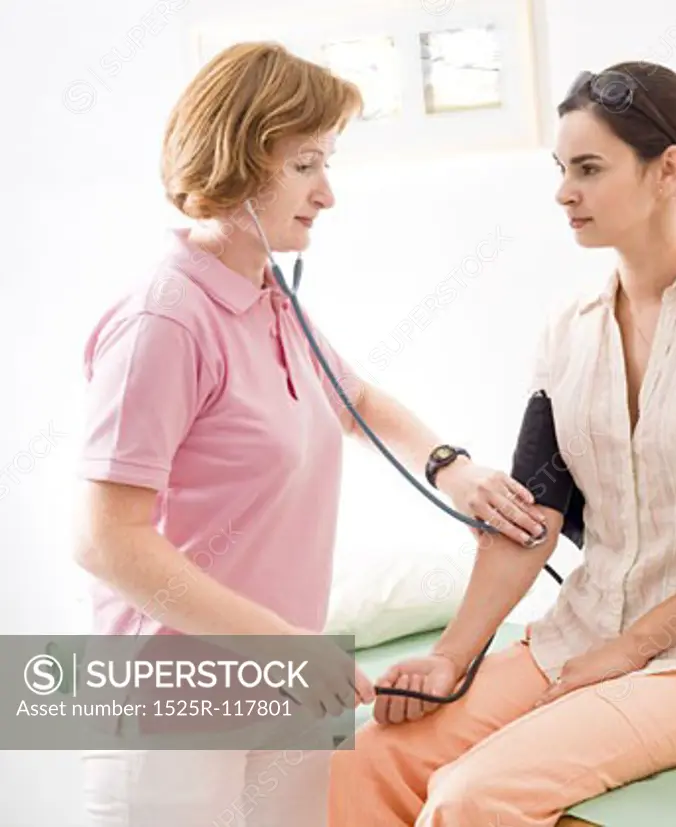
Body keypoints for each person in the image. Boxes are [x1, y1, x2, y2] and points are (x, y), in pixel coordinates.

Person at [328, 61, 676, 826]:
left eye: (589, 170)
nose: (565, 192)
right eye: (562, 170)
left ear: (668, 171)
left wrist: (633, 648)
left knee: (472, 796)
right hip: (572, 638)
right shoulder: (569, 329)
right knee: (360, 765)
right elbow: (535, 516)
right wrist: (451, 655)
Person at [73, 42, 548, 827]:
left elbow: (353, 396)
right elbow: (105, 541)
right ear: (236, 158)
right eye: (305, 165)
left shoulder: (265, 296)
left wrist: (451, 469)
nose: (327, 193)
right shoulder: (165, 320)